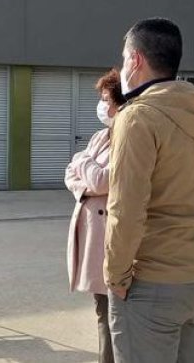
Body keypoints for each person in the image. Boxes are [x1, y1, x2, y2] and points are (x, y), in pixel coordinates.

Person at [105, 18, 194, 363]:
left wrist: (116, 276)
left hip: (153, 282)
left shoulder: (138, 118)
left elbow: (126, 209)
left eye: (124, 58)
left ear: (135, 59)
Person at [65, 69, 125, 363]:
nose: (102, 106)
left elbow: (102, 180)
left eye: (106, 100)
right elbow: (70, 175)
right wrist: (86, 184)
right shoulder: (101, 136)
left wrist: (82, 160)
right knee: (102, 308)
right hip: (92, 232)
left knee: (112, 312)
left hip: (110, 237)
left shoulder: (128, 138)